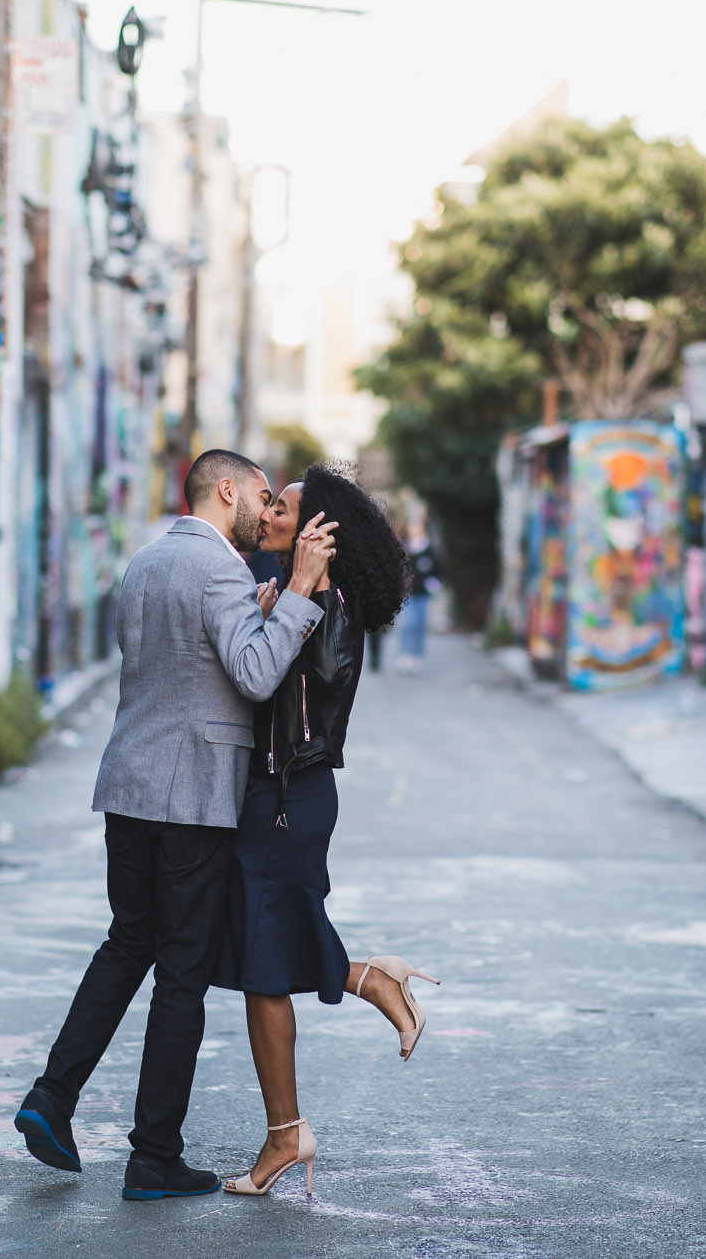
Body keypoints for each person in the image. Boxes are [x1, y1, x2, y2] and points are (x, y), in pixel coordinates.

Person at [14, 448, 340, 1203]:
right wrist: (295, 592)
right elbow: (254, 676)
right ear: (227, 490)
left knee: (126, 944)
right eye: (263, 494)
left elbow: (191, 665)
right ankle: (154, 1154)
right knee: (181, 975)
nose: (268, 510)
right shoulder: (221, 568)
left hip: (128, 785)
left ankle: (51, 1096)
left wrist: (259, 614)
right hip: (190, 797)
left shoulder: (145, 563)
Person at [210, 461, 440, 1198]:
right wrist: (280, 599)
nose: (268, 511)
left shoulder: (329, 604)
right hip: (276, 798)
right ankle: (373, 982)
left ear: (321, 534)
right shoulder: (291, 592)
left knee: (261, 966)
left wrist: (297, 595)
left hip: (287, 800)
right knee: (262, 958)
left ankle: (286, 1134)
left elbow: (320, 676)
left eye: (283, 506)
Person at [397, 517, 444, 672]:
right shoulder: (405, 548)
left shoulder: (429, 549)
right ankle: (405, 655)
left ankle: (417, 655)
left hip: (423, 594)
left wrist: (433, 584)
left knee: (420, 625)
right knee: (407, 625)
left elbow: (438, 570)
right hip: (407, 594)